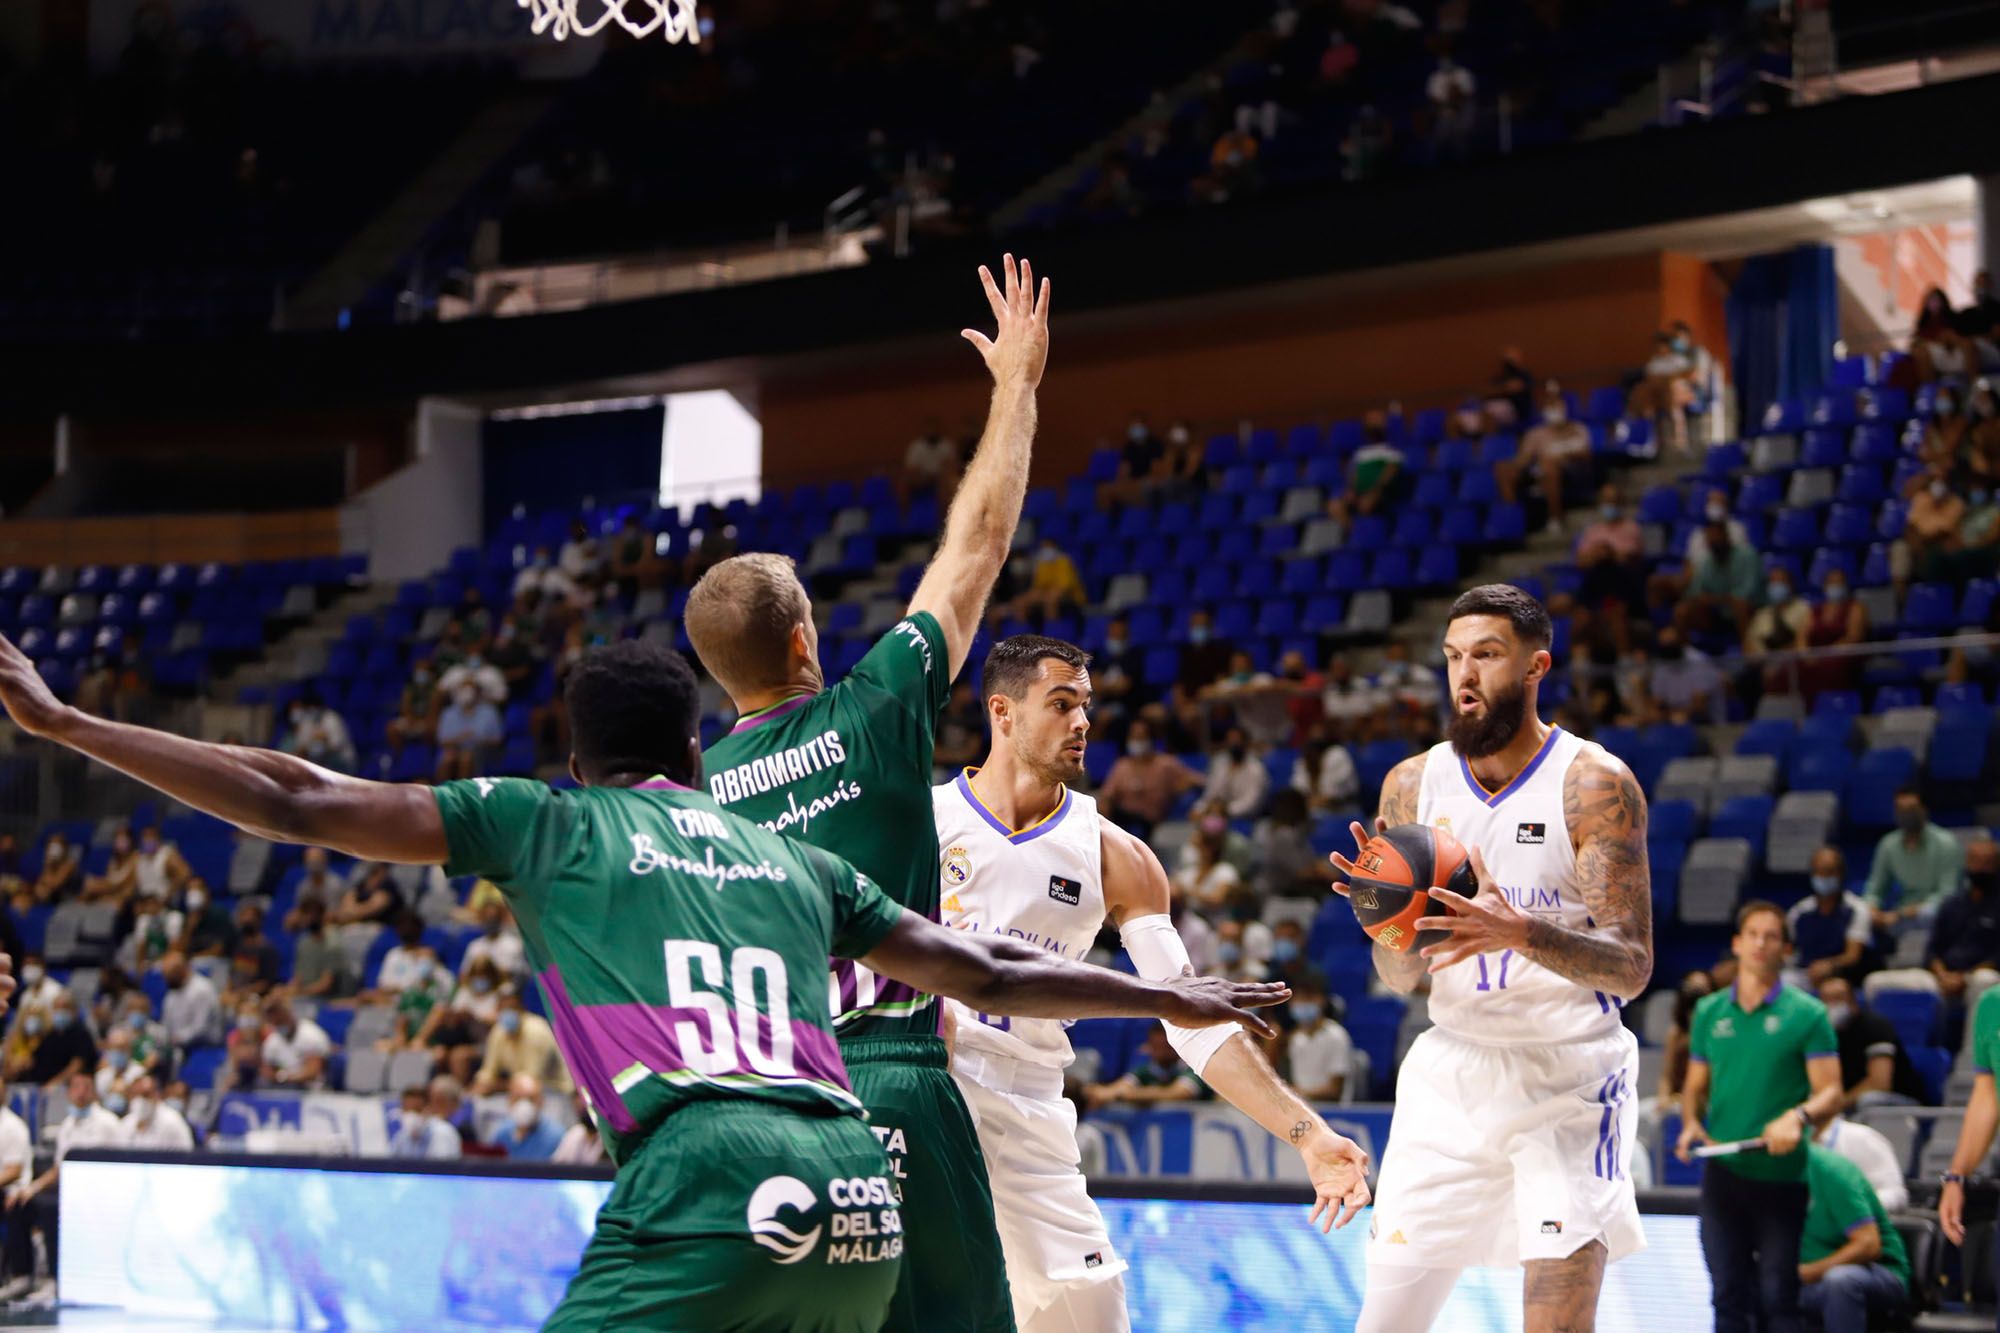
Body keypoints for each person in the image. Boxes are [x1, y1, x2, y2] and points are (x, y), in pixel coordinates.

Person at [0, 605, 1278, 1332]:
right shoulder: (780, 854)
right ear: (690, 743)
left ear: (580, 753)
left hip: (712, 1171)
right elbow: (983, 970)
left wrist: (65, 724)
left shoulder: (549, 822)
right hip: (860, 1187)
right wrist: (1162, 990)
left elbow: (292, 794)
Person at [687, 256, 1049, 1333]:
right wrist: (1015, 388)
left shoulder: (697, 795)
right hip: (891, 1076)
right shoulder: (875, 707)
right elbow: (975, 544)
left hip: (768, 1108)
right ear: (804, 638)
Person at [934, 635, 1372, 1332]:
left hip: (1034, 1114)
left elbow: (1191, 1017)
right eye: (1061, 704)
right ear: (1002, 712)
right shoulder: (925, 824)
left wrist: (1308, 1133)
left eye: (1086, 706)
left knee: (1095, 1317)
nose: (1082, 722)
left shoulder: (1119, 856)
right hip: (933, 1092)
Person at [1329, 585, 1654, 1333]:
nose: (1464, 675)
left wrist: (1524, 932)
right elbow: (1399, 977)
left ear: (1537, 665)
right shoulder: (1413, 784)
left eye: (1486, 655)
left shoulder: (1594, 784)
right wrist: (1389, 926)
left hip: (1569, 1074)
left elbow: (1633, 966)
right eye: (1452, 658)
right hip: (1453, 1071)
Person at [1678, 902, 1844, 1333]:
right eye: (1752, 933)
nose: (1760, 943)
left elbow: (1831, 1092)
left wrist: (1798, 1115)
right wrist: (1691, 1121)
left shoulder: (1808, 1014)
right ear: (1736, 943)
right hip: (1723, 1174)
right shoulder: (1709, 1011)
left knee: (1777, 1297)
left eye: (1771, 936)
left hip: (1781, 1176)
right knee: (1727, 1294)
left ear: (1785, 949)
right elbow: (1694, 1086)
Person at [2, 1071, 121, 1301]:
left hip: (101, 1194)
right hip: (71, 1191)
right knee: (21, 1203)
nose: (81, 1092)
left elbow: (121, 1160)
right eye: (76, 1087)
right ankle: (22, 1276)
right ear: (68, 1093)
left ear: (94, 1091)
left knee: (50, 1210)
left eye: (86, 1087)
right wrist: (31, 1188)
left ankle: (56, 1280)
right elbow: (58, 1169)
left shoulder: (108, 1124)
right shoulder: (67, 1125)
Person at [1796, 1141, 1910, 1333]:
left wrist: (1810, 1272)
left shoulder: (1831, 1171)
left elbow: (1869, 1245)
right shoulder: (1756, 1178)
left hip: (1876, 1273)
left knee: (1841, 1281)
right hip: (1802, 1281)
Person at [1864, 786, 1965, 935]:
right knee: (1861, 918)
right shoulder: (1888, 844)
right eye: (1901, 809)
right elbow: (1875, 889)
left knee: (1930, 914)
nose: (1907, 815)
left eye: (1911, 809)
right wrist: (1871, 909)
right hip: (1901, 915)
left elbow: (1947, 895)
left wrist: (1904, 913)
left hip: (1934, 912)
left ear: (1924, 809)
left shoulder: (1946, 843)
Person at [1817, 976, 1924, 1111]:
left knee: (1869, 1099)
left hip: (1897, 1101)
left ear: (1852, 1001)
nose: (1832, 1005)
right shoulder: (1823, 1034)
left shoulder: (1876, 1027)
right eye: (1827, 999)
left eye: (1838, 997)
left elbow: (1879, 1084)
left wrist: (1836, 1106)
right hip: (1847, 1102)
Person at [1095, 718, 1201, 837]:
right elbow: (1107, 795)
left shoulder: (1165, 764)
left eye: (1141, 737)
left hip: (1151, 821)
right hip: (1122, 820)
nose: (1137, 741)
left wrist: (1183, 788)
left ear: (1150, 739)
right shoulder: (1122, 766)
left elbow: (1198, 781)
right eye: (1133, 737)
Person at [1925, 839, 2000, 1007]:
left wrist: (1965, 977)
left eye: (1987, 862)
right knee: (1877, 982)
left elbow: (1997, 958)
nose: (1981, 868)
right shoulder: (1951, 903)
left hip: (1982, 975)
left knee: (1984, 981)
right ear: (1967, 864)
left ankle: (1978, 1035)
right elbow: (1932, 951)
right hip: (1944, 975)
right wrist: (1943, 975)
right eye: (1976, 861)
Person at [1784, 848, 1872, 987]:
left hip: (1841, 976)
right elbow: (1788, 950)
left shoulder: (1857, 909)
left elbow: (1853, 956)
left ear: (1841, 875)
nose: (1823, 877)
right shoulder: (1798, 912)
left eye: (1829, 872)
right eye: (1819, 872)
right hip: (1802, 974)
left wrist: (1830, 965)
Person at [473, 986, 571, 1096]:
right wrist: (481, 1084)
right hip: (516, 1087)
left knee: (524, 1091)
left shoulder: (536, 1029)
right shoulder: (499, 1030)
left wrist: (496, 1085)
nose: (507, 1013)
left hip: (555, 1089)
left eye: (512, 1009)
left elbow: (532, 1078)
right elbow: (488, 1072)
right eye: (503, 1009)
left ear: (522, 1010)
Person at [1085, 1027, 1207, 1108]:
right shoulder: (1146, 1069)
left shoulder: (1192, 1067)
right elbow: (1120, 1087)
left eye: (1165, 1046)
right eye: (1156, 1046)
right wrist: (1101, 1092)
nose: (1160, 1052)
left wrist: (1126, 1095)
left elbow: (1179, 1093)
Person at [1812, 1114, 1910, 1211]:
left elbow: (1896, 1194)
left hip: (1853, 1222)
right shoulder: (1799, 1140)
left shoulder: (1862, 1137)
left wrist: (1857, 1205)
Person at [1286, 978, 1352, 1101]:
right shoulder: (1295, 1038)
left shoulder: (1336, 1036)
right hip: (1301, 1107)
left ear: (1320, 1000)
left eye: (1306, 999)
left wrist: (1300, 1093)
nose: (1300, 1004)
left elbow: (1335, 1090)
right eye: (1297, 1000)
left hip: (1331, 1110)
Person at [258, 996, 331, 1090]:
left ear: (289, 1014)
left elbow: (312, 1072)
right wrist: (279, 1077)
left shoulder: (311, 1035)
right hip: (282, 1089)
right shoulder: (272, 1042)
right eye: (274, 1022)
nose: (278, 1024)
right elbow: (267, 1072)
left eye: (281, 1020)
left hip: (312, 1091)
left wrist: (281, 1077)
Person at [435, 685, 503, 782]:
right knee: (447, 759)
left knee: (466, 758)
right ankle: (442, 792)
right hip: (454, 749)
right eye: (463, 690)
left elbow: (497, 739)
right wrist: (460, 739)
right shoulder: (448, 713)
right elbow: (442, 740)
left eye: (470, 690)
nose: (467, 694)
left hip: (480, 750)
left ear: (477, 693)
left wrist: (478, 739)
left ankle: (463, 794)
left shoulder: (489, 712)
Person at [492, 1072, 564, 1161]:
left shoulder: (556, 1137)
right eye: (518, 1098)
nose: (524, 1105)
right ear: (509, 1100)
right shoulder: (503, 1133)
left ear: (541, 1101)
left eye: (531, 1099)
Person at [1199, 726, 1268, 819]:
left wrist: (1223, 811)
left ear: (1246, 743)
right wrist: (1199, 809)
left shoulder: (1256, 769)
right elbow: (1210, 793)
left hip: (1245, 818)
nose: (1233, 743)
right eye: (1230, 740)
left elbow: (1252, 804)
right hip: (1217, 814)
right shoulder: (1220, 764)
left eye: (1237, 740)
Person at [159, 951, 222, 1050]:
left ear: (182, 970)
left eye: (171, 976)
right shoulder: (172, 992)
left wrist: (176, 1038)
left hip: (205, 1047)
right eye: (166, 976)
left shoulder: (202, 989)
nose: (167, 981)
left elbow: (201, 1028)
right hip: (179, 1046)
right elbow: (166, 1024)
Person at [118, 1073, 195, 1150]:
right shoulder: (127, 1123)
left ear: (157, 1094)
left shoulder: (172, 1122)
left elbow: (187, 1155)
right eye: (134, 1094)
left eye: (145, 1095)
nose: (139, 1100)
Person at [389, 1083, 462, 1160]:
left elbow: (442, 1166)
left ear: (428, 1109)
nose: (411, 1115)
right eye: (407, 1110)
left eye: (417, 1110)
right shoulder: (401, 1137)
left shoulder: (443, 1132)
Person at [552, 1091, 606, 1165]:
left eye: (586, 1108)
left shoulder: (608, 1135)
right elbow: (555, 1165)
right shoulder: (575, 1132)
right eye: (580, 1110)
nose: (583, 1113)